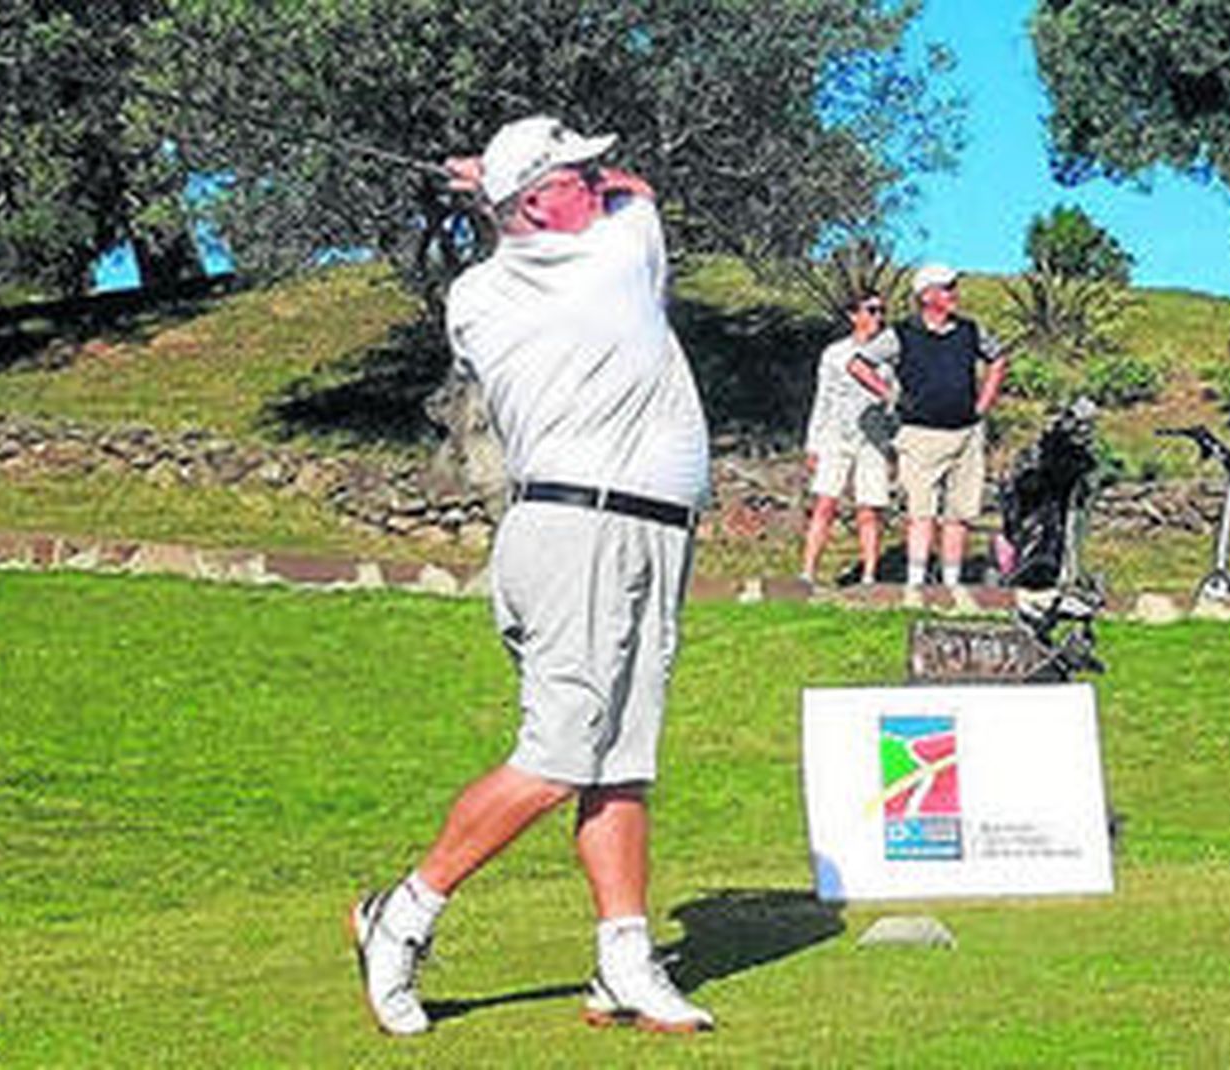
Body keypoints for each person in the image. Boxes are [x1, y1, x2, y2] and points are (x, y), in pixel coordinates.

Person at [349, 116, 715, 1037]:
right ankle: (403, 914)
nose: (599, 179)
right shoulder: (618, 252)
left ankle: (623, 961)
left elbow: (575, 205)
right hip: (577, 531)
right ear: (542, 205)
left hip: (643, 531)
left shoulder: (475, 294)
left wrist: (499, 192)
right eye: (576, 175)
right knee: (557, 758)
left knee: (621, 763)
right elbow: (639, 192)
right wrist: (498, 181)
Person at [862, 264, 1008, 588]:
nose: (954, 294)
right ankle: (916, 584)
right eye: (946, 288)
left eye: (953, 287)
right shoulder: (901, 333)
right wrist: (891, 396)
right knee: (920, 513)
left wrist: (983, 404)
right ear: (926, 295)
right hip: (919, 434)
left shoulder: (970, 330)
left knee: (960, 513)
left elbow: (998, 359)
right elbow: (859, 364)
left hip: (966, 432)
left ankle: (951, 584)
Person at [799, 292, 897, 586]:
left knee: (869, 508)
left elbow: (896, 399)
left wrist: (894, 441)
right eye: (871, 310)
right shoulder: (835, 354)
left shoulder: (891, 354)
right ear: (854, 315)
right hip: (836, 435)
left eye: (882, 311)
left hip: (874, 438)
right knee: (825, 503)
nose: (878, 317)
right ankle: (808, 572)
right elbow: (823, 398)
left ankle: (869, 575)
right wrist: (813, 443)